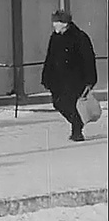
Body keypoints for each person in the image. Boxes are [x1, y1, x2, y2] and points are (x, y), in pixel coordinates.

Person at [42, 10, 98, 142]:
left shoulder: (79, 37)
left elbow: (88, 59)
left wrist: (90, 80)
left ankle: (77, 130)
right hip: (57, 79)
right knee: (58, 103)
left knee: (72, 104)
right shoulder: (55, 38)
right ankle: (77, 123)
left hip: (75, 78)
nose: (54, 25)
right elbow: (50, 58)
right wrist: (46, 77)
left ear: (65, 23)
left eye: (57, 22)